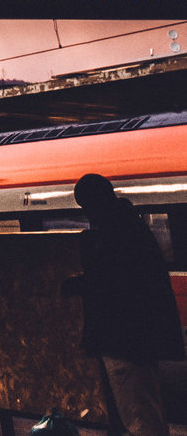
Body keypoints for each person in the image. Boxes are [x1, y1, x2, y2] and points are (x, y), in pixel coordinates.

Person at [65, 172, 182, 436]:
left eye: (87, 207)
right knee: (139, 411)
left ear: (96, 202)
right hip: (132, 339)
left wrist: (81, 284)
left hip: (126, 340)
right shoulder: (127, 225)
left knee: (140, 415)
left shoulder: (117, 232)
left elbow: (118, 283)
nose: (88, 215)